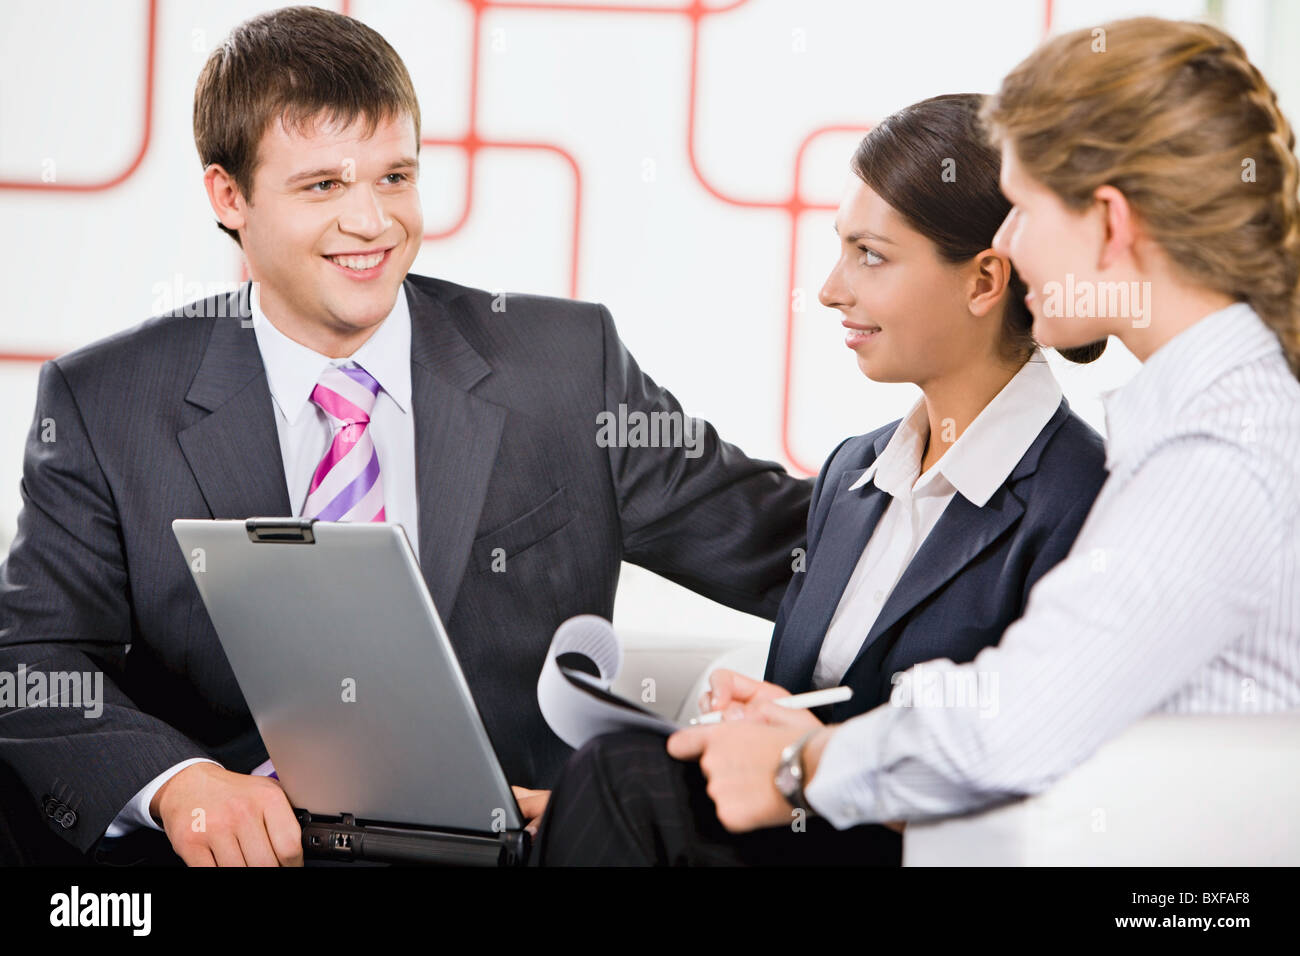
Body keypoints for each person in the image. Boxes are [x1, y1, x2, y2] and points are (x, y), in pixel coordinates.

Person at [0, 6, 811, 867]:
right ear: (228, 196)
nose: (373, 222)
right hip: (243, 855)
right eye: (324, 186)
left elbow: (788, 543)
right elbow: (33, 656)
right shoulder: (107, 399)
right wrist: (179, 783)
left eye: (395, 177)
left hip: (512, 848)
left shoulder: (565, 368)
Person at [532, 93, 1112, 865]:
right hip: (794, 841)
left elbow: (1049, 781)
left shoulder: (1086, 499)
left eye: (870, 254)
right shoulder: (853, 474)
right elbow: (833, 709)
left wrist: (811, 759)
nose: (834, 289)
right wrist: (781, 721)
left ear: (983, 282)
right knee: (594, 786)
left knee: (616, 781)